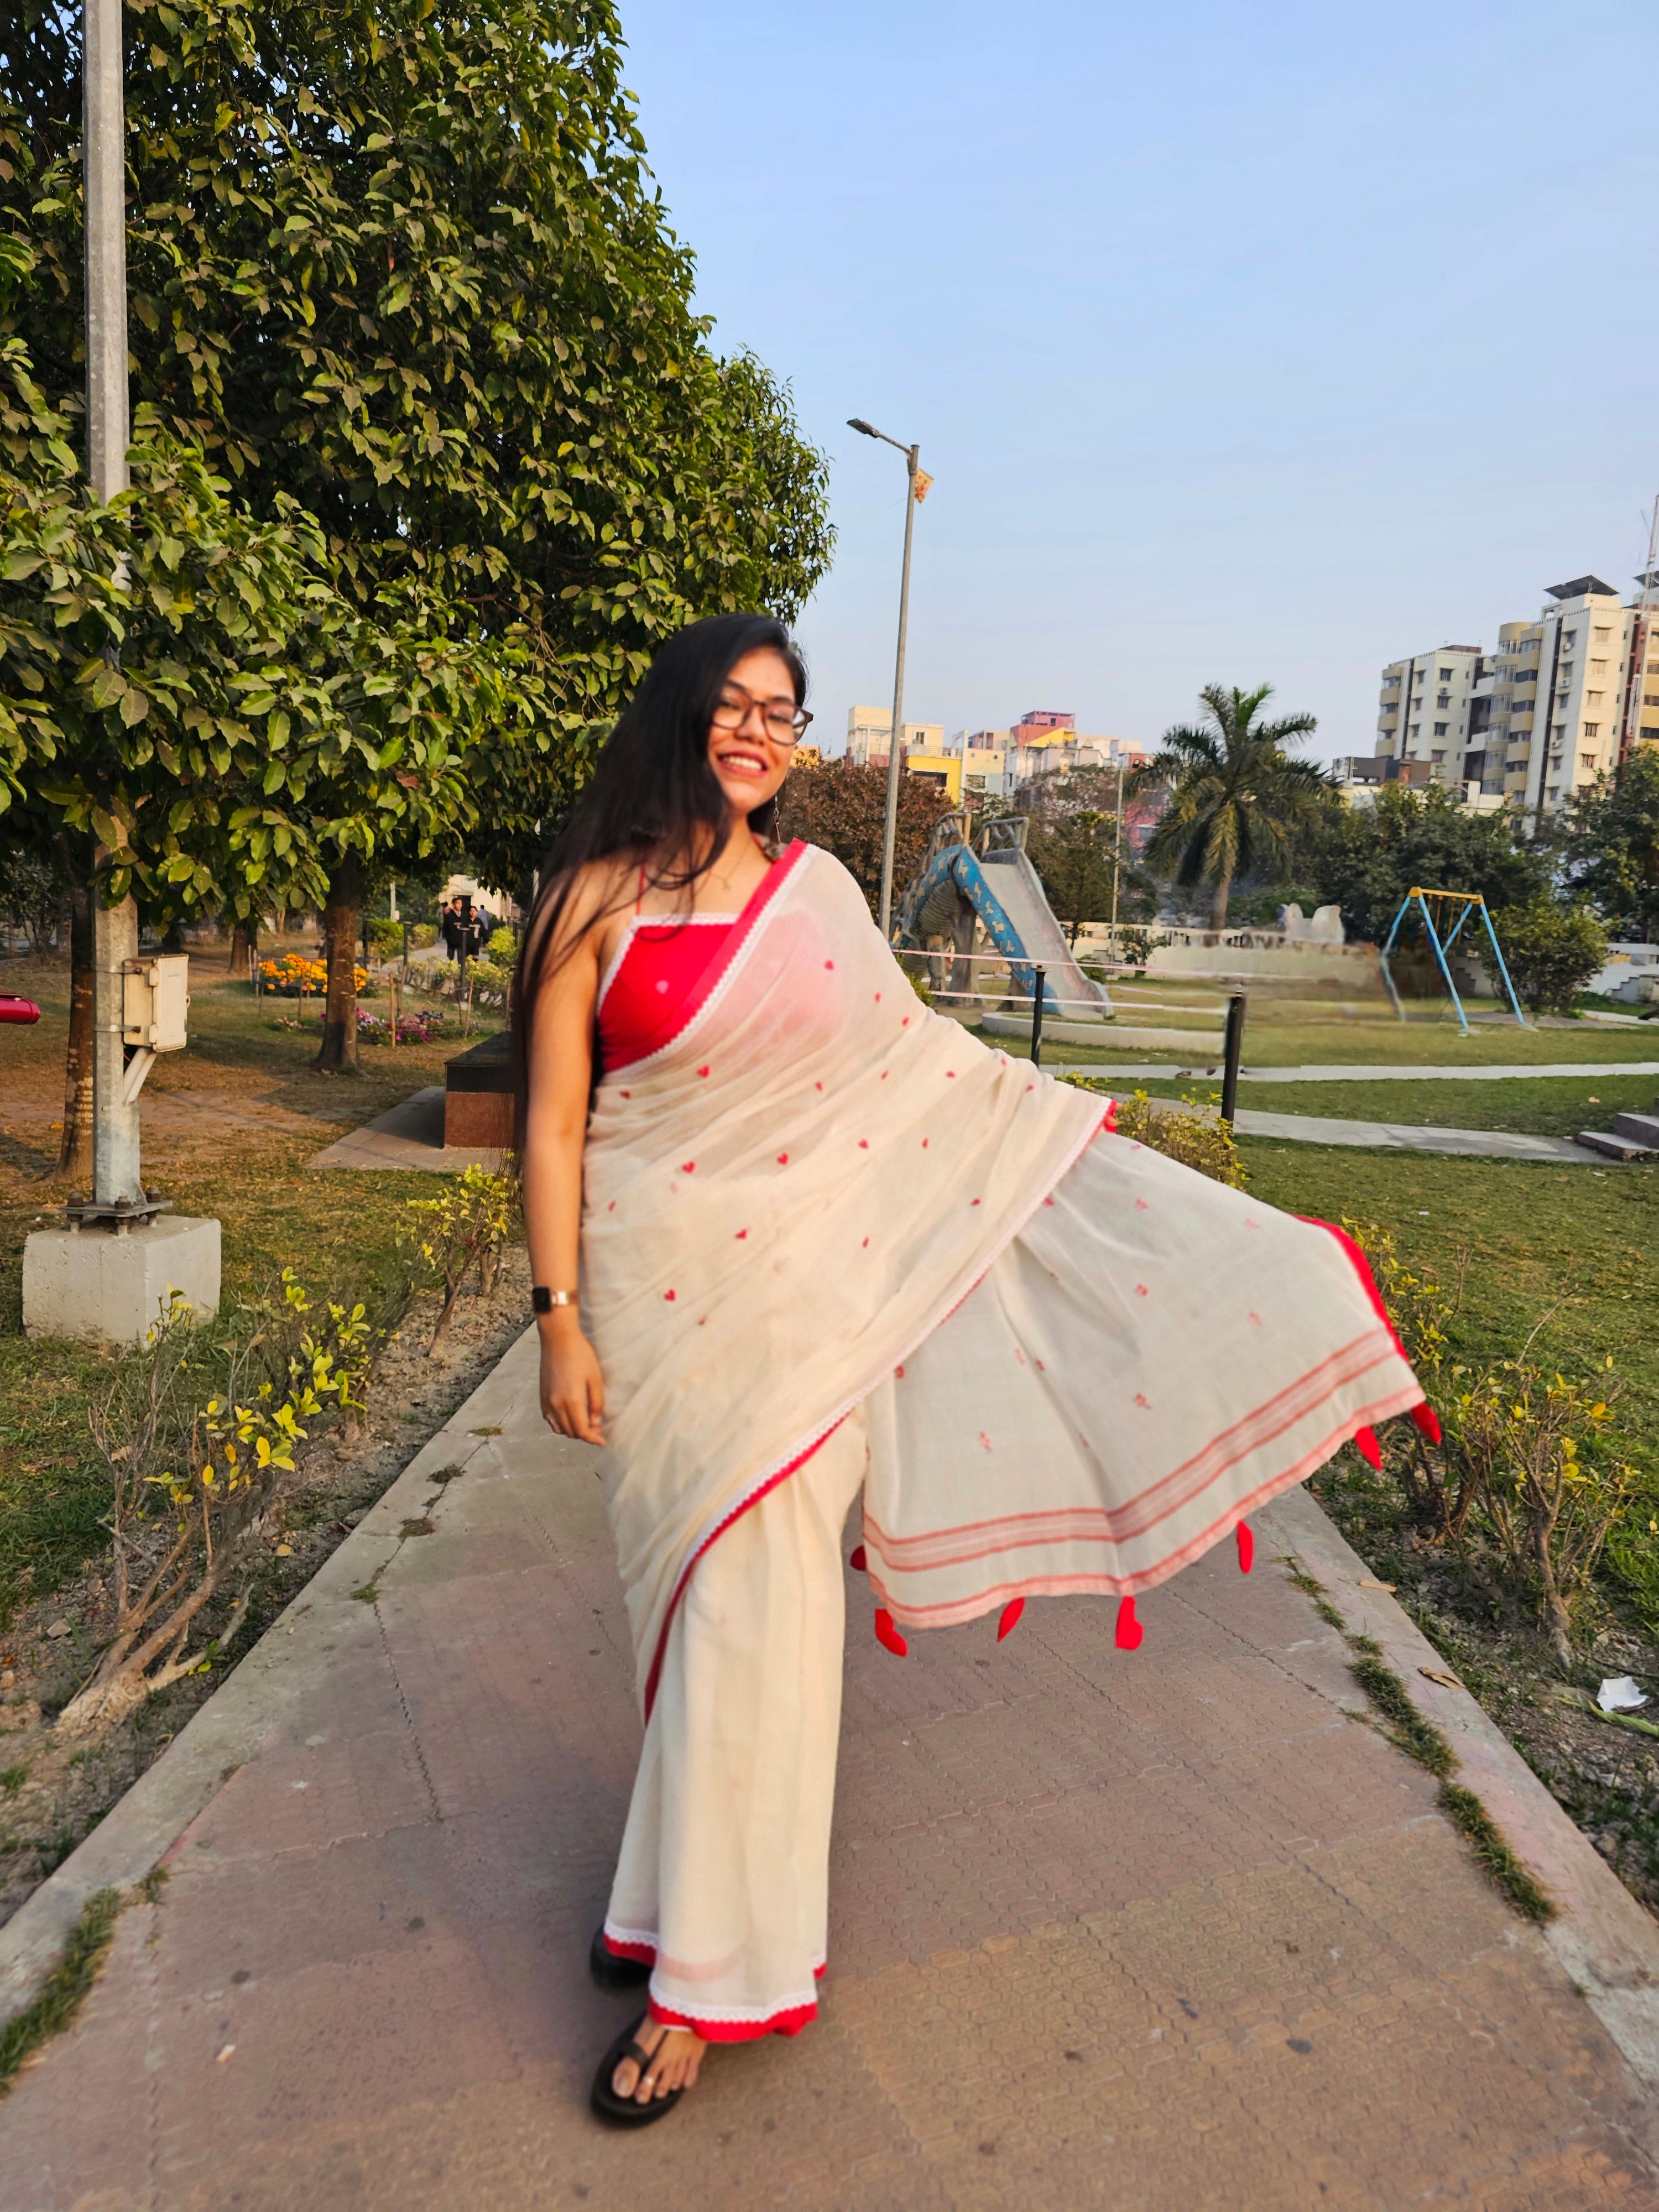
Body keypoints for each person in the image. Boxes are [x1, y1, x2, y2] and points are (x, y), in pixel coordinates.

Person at [513, 613, 1423, 2128]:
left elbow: (923, 1074)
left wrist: (1073, 1156)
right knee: (683, 1616)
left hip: (807, 1324)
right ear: (680, 717)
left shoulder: (818, 897)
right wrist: (558, 1317)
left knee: (758, 1630)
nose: (757, 733)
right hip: (659, 1308)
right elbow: (556, 1125)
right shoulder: (589, 902)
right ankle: (658, 1908)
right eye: (733, 706)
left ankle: (705, 1990)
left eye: (783, 715)